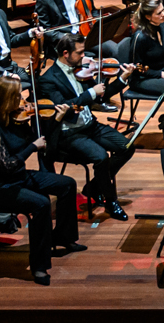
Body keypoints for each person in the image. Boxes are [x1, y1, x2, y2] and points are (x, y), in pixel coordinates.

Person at [0, 76, 84, 284]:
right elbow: (7, 166)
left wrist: (55, 120)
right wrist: (32, 147)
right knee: (41, 204)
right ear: (5, 99)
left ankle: (63, 237)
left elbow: (43, 140)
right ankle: (39, 267)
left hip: (19, 178)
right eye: (16, 96)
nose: (23, 102)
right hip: (0, 187)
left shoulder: (19, 121)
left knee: (67, 184)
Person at [34, 31, 137, 218]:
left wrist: (122, 78)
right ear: (66, 53)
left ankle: (93, 187)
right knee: (101, 157)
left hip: (90, 126)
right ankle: (110, 201)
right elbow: (65, 108)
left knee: (127, 147)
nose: (84, 56)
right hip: (69, 133)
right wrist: (91, 94)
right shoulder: (48, 80)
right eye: (80, 52)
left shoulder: (81, 70)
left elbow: (102, 95)